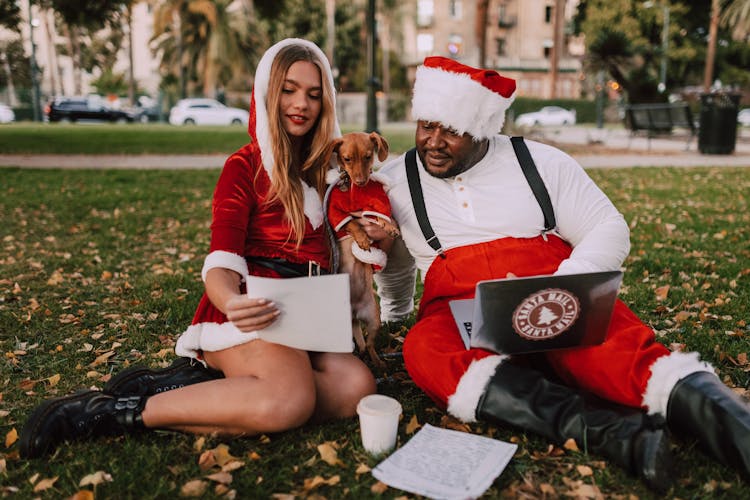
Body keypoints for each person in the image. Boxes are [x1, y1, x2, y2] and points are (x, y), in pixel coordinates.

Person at [368, 56, 750, 491]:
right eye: (426, 126)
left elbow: (607, 226)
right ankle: (617, 435)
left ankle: (739, 435)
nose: (433, 142)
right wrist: (396, 316)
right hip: (461, 311)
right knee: (428, 349)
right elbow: (396, 263)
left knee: (625, 354)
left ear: (481, 128)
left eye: (451, 131)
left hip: (555, 292)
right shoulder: (396, 181)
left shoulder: (539, 162)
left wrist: (564, 287)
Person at [19, 38, 376, 459]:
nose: (301, 103)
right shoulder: (244, 166)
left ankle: (208, 388)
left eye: (314, 94)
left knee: (357, 387)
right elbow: (221, 263)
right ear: (267, 92)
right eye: (288, 89)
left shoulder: (331, 173)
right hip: (251, 311)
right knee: (290, 399)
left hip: (311, 318)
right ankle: (115, 410)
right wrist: (230, 301)